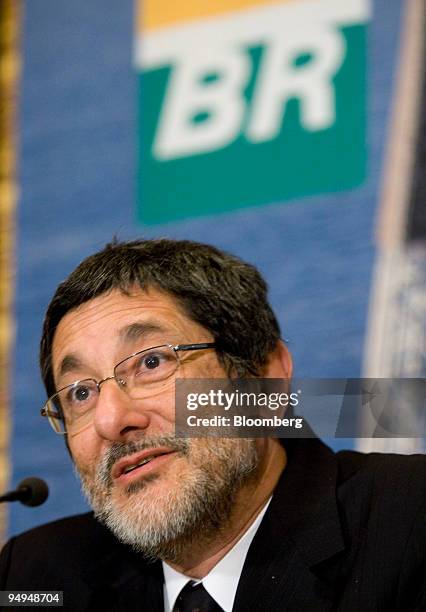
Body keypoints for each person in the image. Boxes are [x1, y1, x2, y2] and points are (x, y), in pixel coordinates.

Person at [0, 238, 425, 612]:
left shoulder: (409, 522)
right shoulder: (34, 578)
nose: (111, 420)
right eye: (80, 393)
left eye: (152, 362)